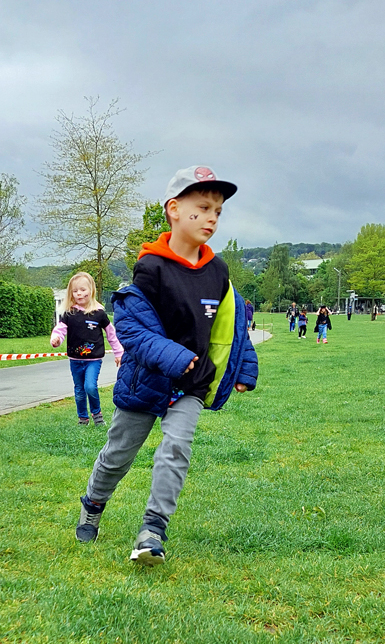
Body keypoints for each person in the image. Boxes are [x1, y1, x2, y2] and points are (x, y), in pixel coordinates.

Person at [75, 166, 258, 566]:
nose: (212, 217)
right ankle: (93, 504)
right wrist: (179, 360)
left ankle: (153, 530)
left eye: (219, 211)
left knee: (175, 449)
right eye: (204, 207)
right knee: (117, 455)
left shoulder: (218, 271)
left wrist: (244, 367)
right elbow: (135, 331)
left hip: (192, 384)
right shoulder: (151, 269)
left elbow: (233, 322)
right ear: (174, 209)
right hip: (147, 381)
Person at [50, 272, 123, 426]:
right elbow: (60, 330)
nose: (79, 294)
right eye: (75, 291)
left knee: (90, 386)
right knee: (79, 391)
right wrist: (56, 340)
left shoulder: (99, 313)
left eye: (83, 290)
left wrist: (119, 353)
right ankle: (82, 418)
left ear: (91, 291)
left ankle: (97, 414)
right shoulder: (69, 313)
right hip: (75, 360)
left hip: (93, 360)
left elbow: (111, 334)